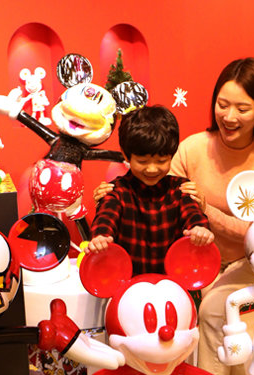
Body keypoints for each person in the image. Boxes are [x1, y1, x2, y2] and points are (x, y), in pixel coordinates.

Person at [169, 57, 254, 375]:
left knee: (216, 309)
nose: (229, 116)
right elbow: (165, 202)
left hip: (252, 269)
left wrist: (206, 210)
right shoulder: (192, 148)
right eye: (222, 104)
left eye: (242, 108)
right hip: (192, 260)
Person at [87, 105, 213, 276]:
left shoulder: (181, 189)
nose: (152, 169)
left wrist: (199, 229)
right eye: (143, 161)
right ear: (126, 155)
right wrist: (101, 237)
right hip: (129, 283)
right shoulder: (116, 191)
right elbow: (106, 216)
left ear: (172, 155)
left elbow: (192, 213)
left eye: (161, 161)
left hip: (173, 282)